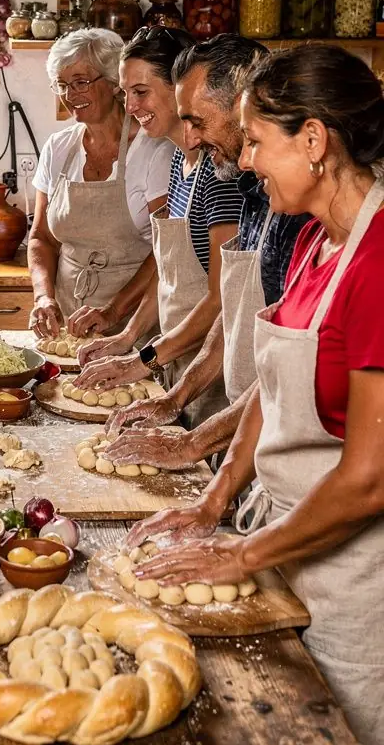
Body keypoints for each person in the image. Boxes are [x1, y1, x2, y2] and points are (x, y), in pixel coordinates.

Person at [127, 45, 384, 745]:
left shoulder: (380, 261)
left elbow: (371, 479)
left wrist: (239, 557)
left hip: (355, 585)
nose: (242, 161)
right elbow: (273, 392)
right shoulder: (316, 240)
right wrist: (212, 501)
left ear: (315, 139)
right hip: (282, 544)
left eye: (257, 143)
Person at [103, 35, 308, 470]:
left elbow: (285, 377)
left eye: (199, 121)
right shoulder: (255, 191)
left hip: (282, 440)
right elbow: (231, 315)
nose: (190, 139)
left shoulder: (303, 218)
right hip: (242, 415)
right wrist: (174, 397)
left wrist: (191, 444)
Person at [76, 27, 243, 426]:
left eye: (141, 91)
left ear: (180, 88)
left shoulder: (220, 174)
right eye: (125, 93)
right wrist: (129, 335)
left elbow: (223, 300)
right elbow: (168, 275)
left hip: (210, 378)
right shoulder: (175, 161)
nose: (130, 105)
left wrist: (146, 357)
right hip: (175, 361)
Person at [27, 29, 174, 340]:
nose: (70, 94)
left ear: (113, 84)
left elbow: (164, 253)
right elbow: (42, 237)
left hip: (136, 327)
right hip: (67, 326)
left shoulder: (155, 150)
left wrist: (114, 311)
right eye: (63, 85)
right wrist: (44, 297)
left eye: (81, 82)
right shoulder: (58, 148)